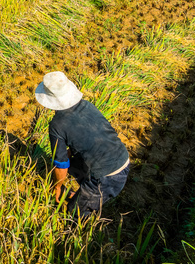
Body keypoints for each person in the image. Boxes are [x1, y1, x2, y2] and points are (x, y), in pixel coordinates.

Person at [35, 71, 130, 217]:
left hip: (108, 176)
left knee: (75, 214)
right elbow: (88, 138)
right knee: (72, 164)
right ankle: (85, 194)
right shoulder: (87, 105)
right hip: (122, 157)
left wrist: (57, 187)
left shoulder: (57, 125)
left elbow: (61, 166)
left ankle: (85, 209)